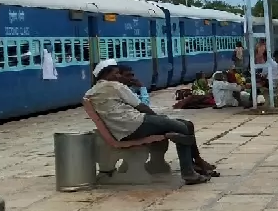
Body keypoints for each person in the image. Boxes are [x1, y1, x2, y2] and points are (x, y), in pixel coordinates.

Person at [84, 59, 216, 184]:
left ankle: (196, 163)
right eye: (116, 73)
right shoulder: (115, 86)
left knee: (186, 124)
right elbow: (141, 106)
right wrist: (158, 119)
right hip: (136, 124)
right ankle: (189, 172)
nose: (119, 76)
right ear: (106, 74)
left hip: (123, 130)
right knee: (182, 127)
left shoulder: (92, 92)